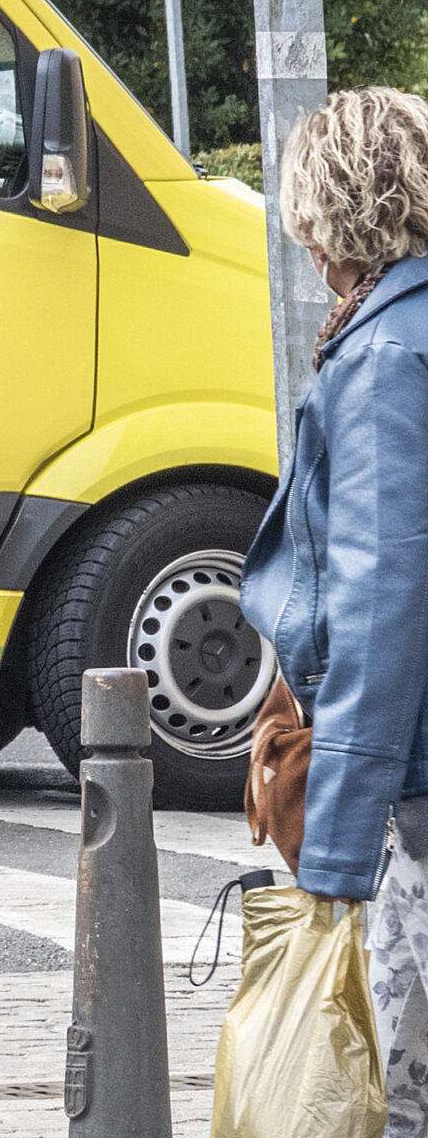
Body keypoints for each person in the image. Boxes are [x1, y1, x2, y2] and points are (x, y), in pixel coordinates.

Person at [240, 87, 428, 1130]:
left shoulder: (382, 362)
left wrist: (338, 857)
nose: (305, 247)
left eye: (308, 220)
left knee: (394, 1090)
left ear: (336, 218)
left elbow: (380, 607)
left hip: (417, 788)